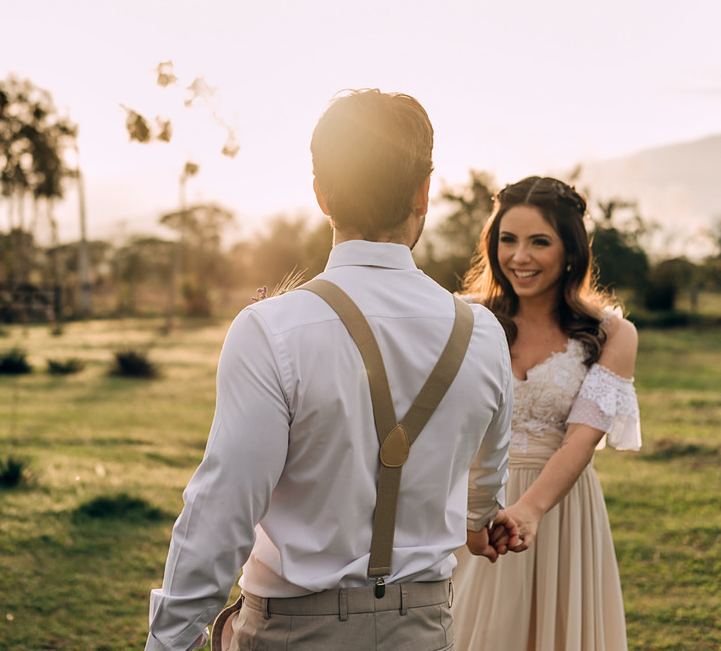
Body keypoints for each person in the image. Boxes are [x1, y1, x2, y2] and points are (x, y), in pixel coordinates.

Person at [145, 89, 517, 651]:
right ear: (424, 192)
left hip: (291, 633)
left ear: (321, 194)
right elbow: (488, 478)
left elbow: (223, 510)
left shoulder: (271, 330)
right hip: (424, 631)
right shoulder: (484, 334)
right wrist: (480, 518)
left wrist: (169, 641)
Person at [451, 175, 642, 651]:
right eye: (508, 240)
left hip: (558, 508)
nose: (520, 256)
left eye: (540, 242)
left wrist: (529, 510)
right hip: (469, 507)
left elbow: (582, 437)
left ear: (570, 250)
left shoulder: (611, 333)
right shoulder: (461, 319)